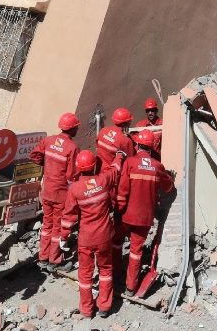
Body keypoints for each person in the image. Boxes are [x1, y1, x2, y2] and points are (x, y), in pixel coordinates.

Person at [60, 148, 125, 319]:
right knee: (105, 270)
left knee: (85, 275)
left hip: (86, 238)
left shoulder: (75, 189)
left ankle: (87, 310)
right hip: (104, 236)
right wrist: (119, 156)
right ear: (94, 165)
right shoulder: (103, 181)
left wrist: (64, 236)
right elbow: (115, 170)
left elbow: (68, 216)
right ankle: (104, 306)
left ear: (78, 167)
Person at [115, 130, 173, 294]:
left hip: (127, 215)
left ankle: (116, 273)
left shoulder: (130, 163)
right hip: (145, 218)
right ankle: (131, 287)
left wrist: (118, 211)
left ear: (137, 145)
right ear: (151, 148)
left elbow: (122, 191)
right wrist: (170, 177)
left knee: (116, 242)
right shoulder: (157, 166)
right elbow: (168, 187)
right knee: (136, 252)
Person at [30, 112, 81, 270]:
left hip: (47, 191)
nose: (77, 130)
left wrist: (46, 165)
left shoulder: (48, 140)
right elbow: (72, 175)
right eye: (76, 127)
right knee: (57, 227)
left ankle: (43, 257)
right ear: (72, 129)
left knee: (47, 225)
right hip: (60, 194)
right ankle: (54, 260)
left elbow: (35, 155)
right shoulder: (73, 148)